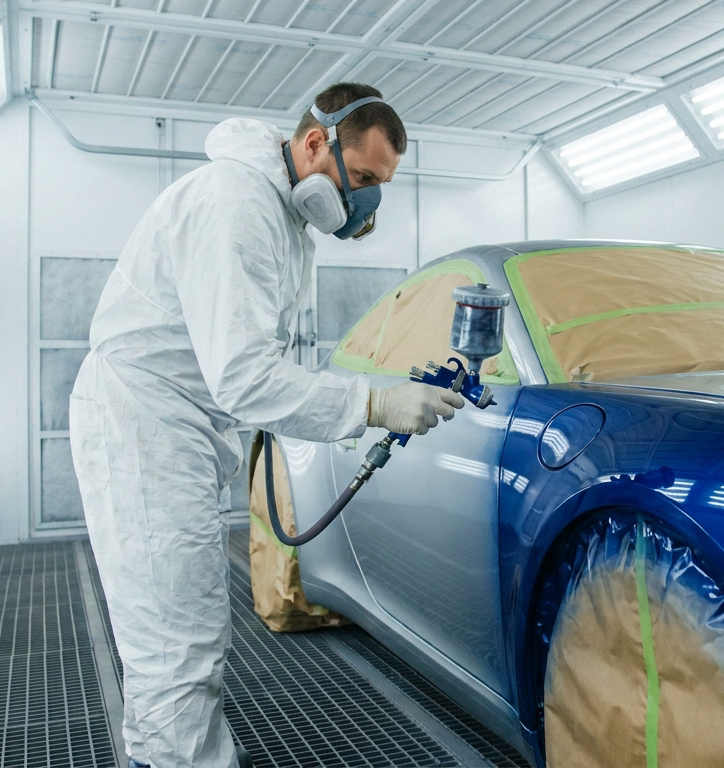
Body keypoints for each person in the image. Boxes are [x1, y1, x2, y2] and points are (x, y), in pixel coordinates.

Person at [69, 82, 465, 768]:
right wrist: (374, 404)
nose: (369, 199)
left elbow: (257, 361)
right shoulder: (235, 204)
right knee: (179, 639)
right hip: (144, 425)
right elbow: (246, 376)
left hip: (178, 426)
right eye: (365, 177)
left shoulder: (281, 221)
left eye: (382, 184)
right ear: (316, 144)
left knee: (171, 634)